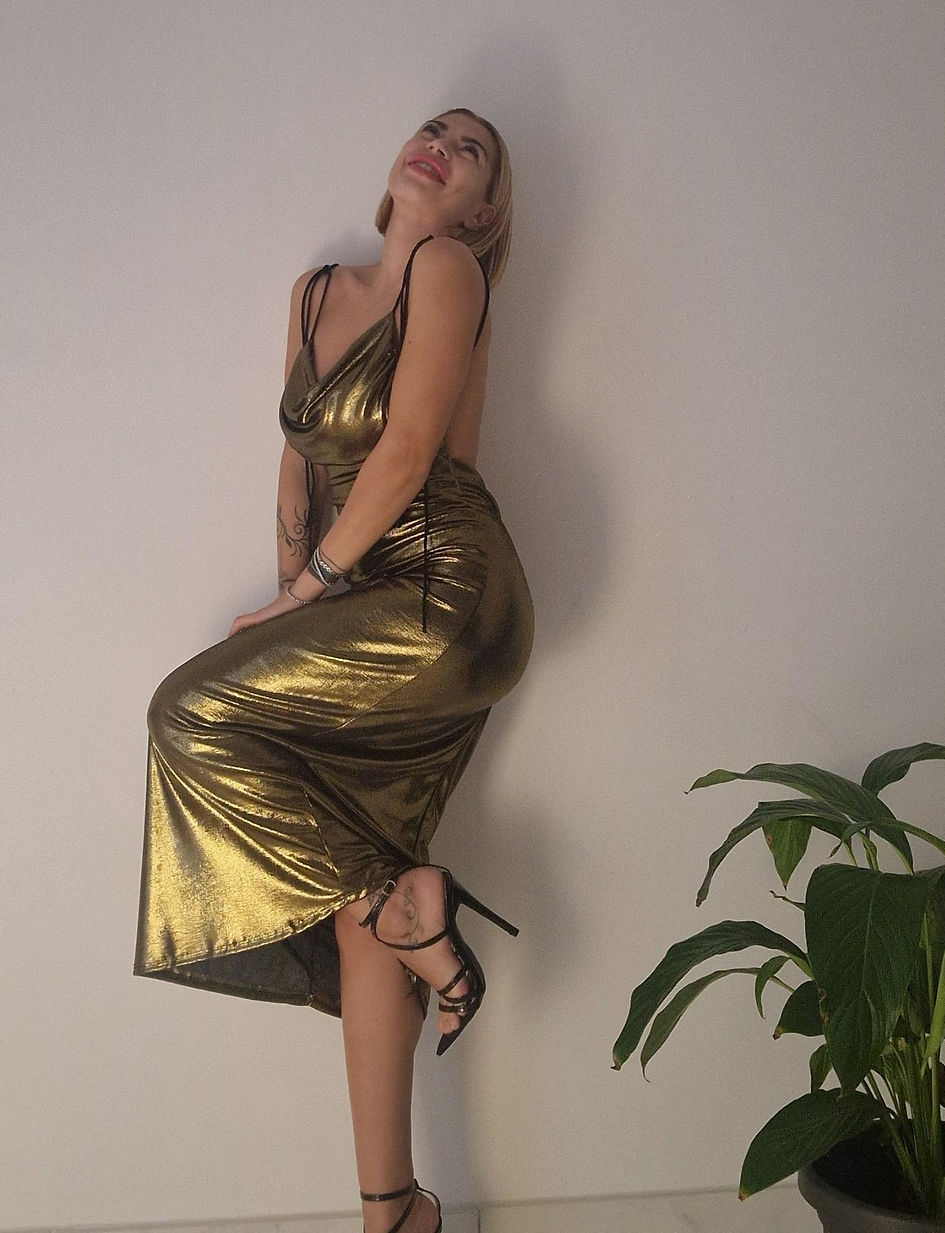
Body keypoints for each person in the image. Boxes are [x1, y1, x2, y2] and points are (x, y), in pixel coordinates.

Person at [133, 107, 533, 1233]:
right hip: (361, 598)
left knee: (187, 714)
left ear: (481, 212)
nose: (439, 145)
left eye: (469, 151)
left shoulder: (447, 269)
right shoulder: (315, 293)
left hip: (445, 593)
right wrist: (290, 600)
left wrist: (304, 596)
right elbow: (297, 464)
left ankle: (407, 909)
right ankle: (393, 1212)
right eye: (433, 129)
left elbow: (407, 452)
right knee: (360, 900)